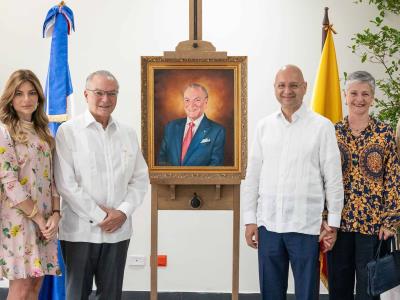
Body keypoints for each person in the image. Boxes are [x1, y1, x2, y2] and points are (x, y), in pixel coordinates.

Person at [242, 65, 344, 300]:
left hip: (306, 227)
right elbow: (253, 175)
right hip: (269, 225)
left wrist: (334, 224)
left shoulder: (322, 126)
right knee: (271, 294)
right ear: (275, 89)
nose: (287, 90)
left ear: (305, 87)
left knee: (307, 295)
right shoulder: (263, 127)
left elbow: (333, 178)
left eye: (293, 85)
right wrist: (250, 220)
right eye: (282, 85)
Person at [54, 70, 149, 300]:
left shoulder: (127, 133)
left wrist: (122, 213)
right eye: (99, 93)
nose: (106, 99)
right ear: (86, 94)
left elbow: (140, 178)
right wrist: (101, 216)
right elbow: (65, 184)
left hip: (118, 233)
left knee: (112, 295)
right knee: (76, 294)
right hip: (79, 232)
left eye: (112, 93)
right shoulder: (68, 132)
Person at [327, 71, 400, 300]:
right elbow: (320, 179)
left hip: (374, 227)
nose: (360, 99)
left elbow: (394, 179)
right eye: (354, 93)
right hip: (338, 224)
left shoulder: (385, 133)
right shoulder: (331, 133)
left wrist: (390, 222)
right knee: (339, 287)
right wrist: (324, 219)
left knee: (368, 292)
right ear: (345, 95)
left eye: (365, 94)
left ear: (373, 98)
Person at [0, 69, 61, 300]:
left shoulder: (44, 132)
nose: (26, 99)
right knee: (22, 287)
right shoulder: (3, 132)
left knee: (36, 284)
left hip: (46, 220)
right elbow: (9, 181)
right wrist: (37, 218)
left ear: (39, 97)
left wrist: (55, 214)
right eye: (19, 94)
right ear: (11, 99)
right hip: (20, 219)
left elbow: (53, 179)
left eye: (31, 93)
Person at [158, 83, 226, 166]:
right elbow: (161, 160)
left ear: (205, 102)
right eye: (187, 100)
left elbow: (215, 166)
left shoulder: (217, 131)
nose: (191, 105)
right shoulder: (171, 127)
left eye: (197, 100)